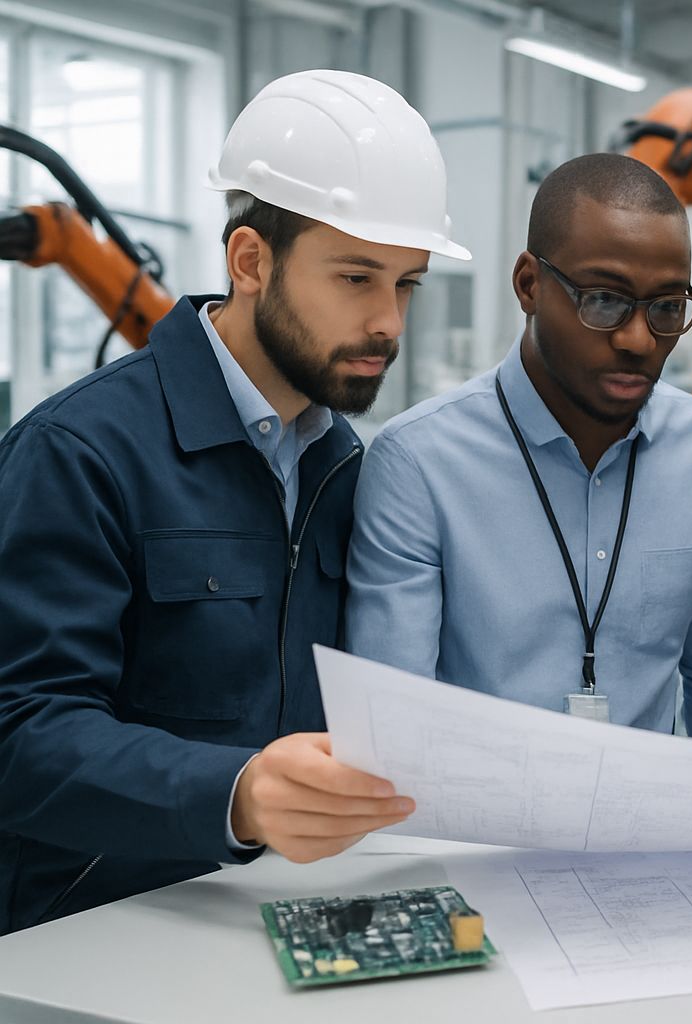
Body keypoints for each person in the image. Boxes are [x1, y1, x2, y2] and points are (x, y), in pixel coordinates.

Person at [0, 69, 470, 932]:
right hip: (92, 930)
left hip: (278, 913)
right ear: (251, 261)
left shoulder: (341, 462)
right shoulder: (80, 453)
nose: (390, 324)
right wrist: (237, 792)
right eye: (357, 278)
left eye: (406, 284)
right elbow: (20, 734)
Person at [346, 153, 692, 741]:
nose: (639, 339)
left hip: (651, 828)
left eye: (667, 308)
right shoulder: (420, 464)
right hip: (473, 827)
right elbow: (397, 720)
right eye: (605, 301)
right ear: (529, 285)